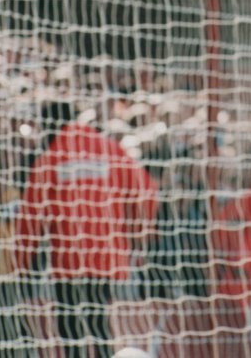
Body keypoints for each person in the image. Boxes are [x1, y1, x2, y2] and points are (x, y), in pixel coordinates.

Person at [13, 101, 160, 358]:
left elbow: (30, 214)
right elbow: (146, 191)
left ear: (49, 125)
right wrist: (138, 234)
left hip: (68, 261)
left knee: (70, 330)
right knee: (100, 325)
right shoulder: (109, 148)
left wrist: (22, 263)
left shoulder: (51, 157)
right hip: (106, 258)